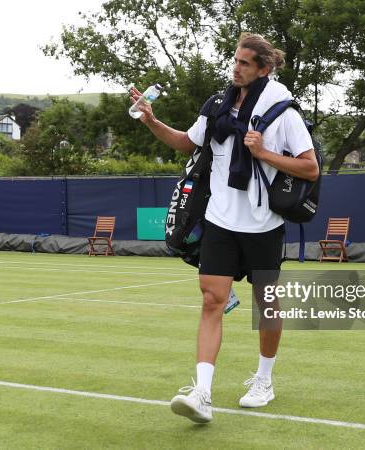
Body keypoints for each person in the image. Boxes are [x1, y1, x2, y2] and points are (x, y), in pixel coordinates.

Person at [130, 32, 318, 423]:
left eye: (244, 63)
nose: (235, 67)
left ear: (264, 69)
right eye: (234, 60)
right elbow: (187, 143)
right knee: (212, 300)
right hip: (219, 220)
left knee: (265, 304)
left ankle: (264, 380)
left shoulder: (283, 112)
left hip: (264, 224)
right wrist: (151, 120)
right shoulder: (217, 104)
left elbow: (310, 167)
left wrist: (263, 152)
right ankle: (202, 393)